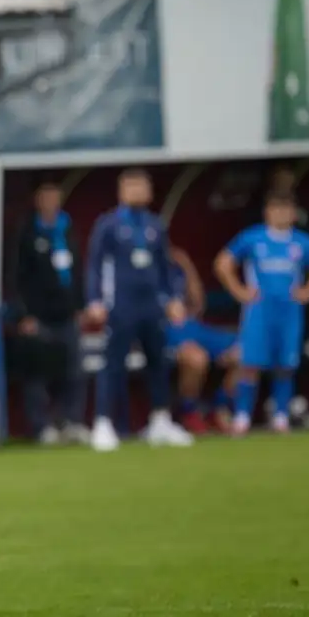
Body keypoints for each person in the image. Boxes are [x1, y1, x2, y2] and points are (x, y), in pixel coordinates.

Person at [83, 169, 194, 452]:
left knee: (158, 362)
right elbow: (95, 264)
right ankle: (103, 423)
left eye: (142, 186)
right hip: (121, 305)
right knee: (113, 364)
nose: (137, 192)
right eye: (131, 187)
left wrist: (173, 298)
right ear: (121, 191)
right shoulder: (108, 225)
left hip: (151, 306)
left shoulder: (155, 225)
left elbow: (164, 266)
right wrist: (95, 300)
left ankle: (160, 420)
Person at [212, 184, 309, 435]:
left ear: (293, 213)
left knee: (285, 365)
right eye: (276, 208)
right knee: (251, 363)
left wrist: (307, 293)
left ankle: (280, 417)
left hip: (289, 311)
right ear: (267, 212)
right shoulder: (253, 238)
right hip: (259, 310)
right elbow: (223, 263)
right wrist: (240, 291)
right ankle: (242, 417)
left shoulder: (302, 242)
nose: (281, 214)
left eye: (286, 209)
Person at [8, 182, 87, 444]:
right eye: (47, 196)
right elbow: (17, 277)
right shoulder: (28, 232)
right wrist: (23, 314)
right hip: (38, 316)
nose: (52, 201)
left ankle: (71, 421)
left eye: (56, 195)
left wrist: (80, 306)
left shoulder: (68, 227)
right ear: (38, 199)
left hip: (67, 314)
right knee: (38, 373)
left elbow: (77, 271)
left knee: (73, 370)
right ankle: (42, 426)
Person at [166, 245, 240, 434]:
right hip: (165, 331)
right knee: (197, 358)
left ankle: (220, 408)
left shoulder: (176, 268)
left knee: (248, 352)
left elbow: (199, 305)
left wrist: (187, 264)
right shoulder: (140, 269)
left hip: (194, 327)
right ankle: (188, 412)